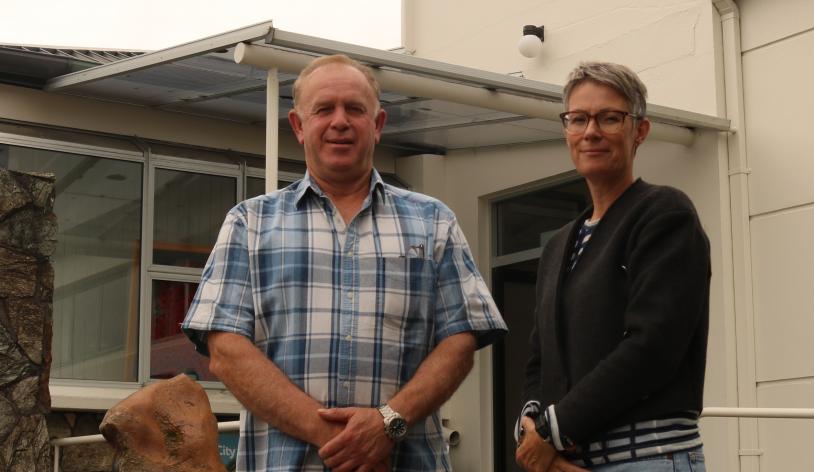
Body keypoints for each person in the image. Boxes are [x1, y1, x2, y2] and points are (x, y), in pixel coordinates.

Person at [182, 54, 507, 472]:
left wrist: (388, 423)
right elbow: (225, 350)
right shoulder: (250, 223)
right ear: (298, 125)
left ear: (378, 124)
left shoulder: (432, 221)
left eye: (355, 109)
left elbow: (461, 340)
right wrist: (341, 439)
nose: (340, 121)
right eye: (324, 109)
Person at [515, 62, 710, 472]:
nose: (591, 132)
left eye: (609, 118)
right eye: (578, 119)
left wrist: (551, 431)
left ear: (640, 130)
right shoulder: (557, 247)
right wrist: (531, 425)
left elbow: (652, 347)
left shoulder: (664, 215)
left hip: (647, 458)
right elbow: (539, 358)